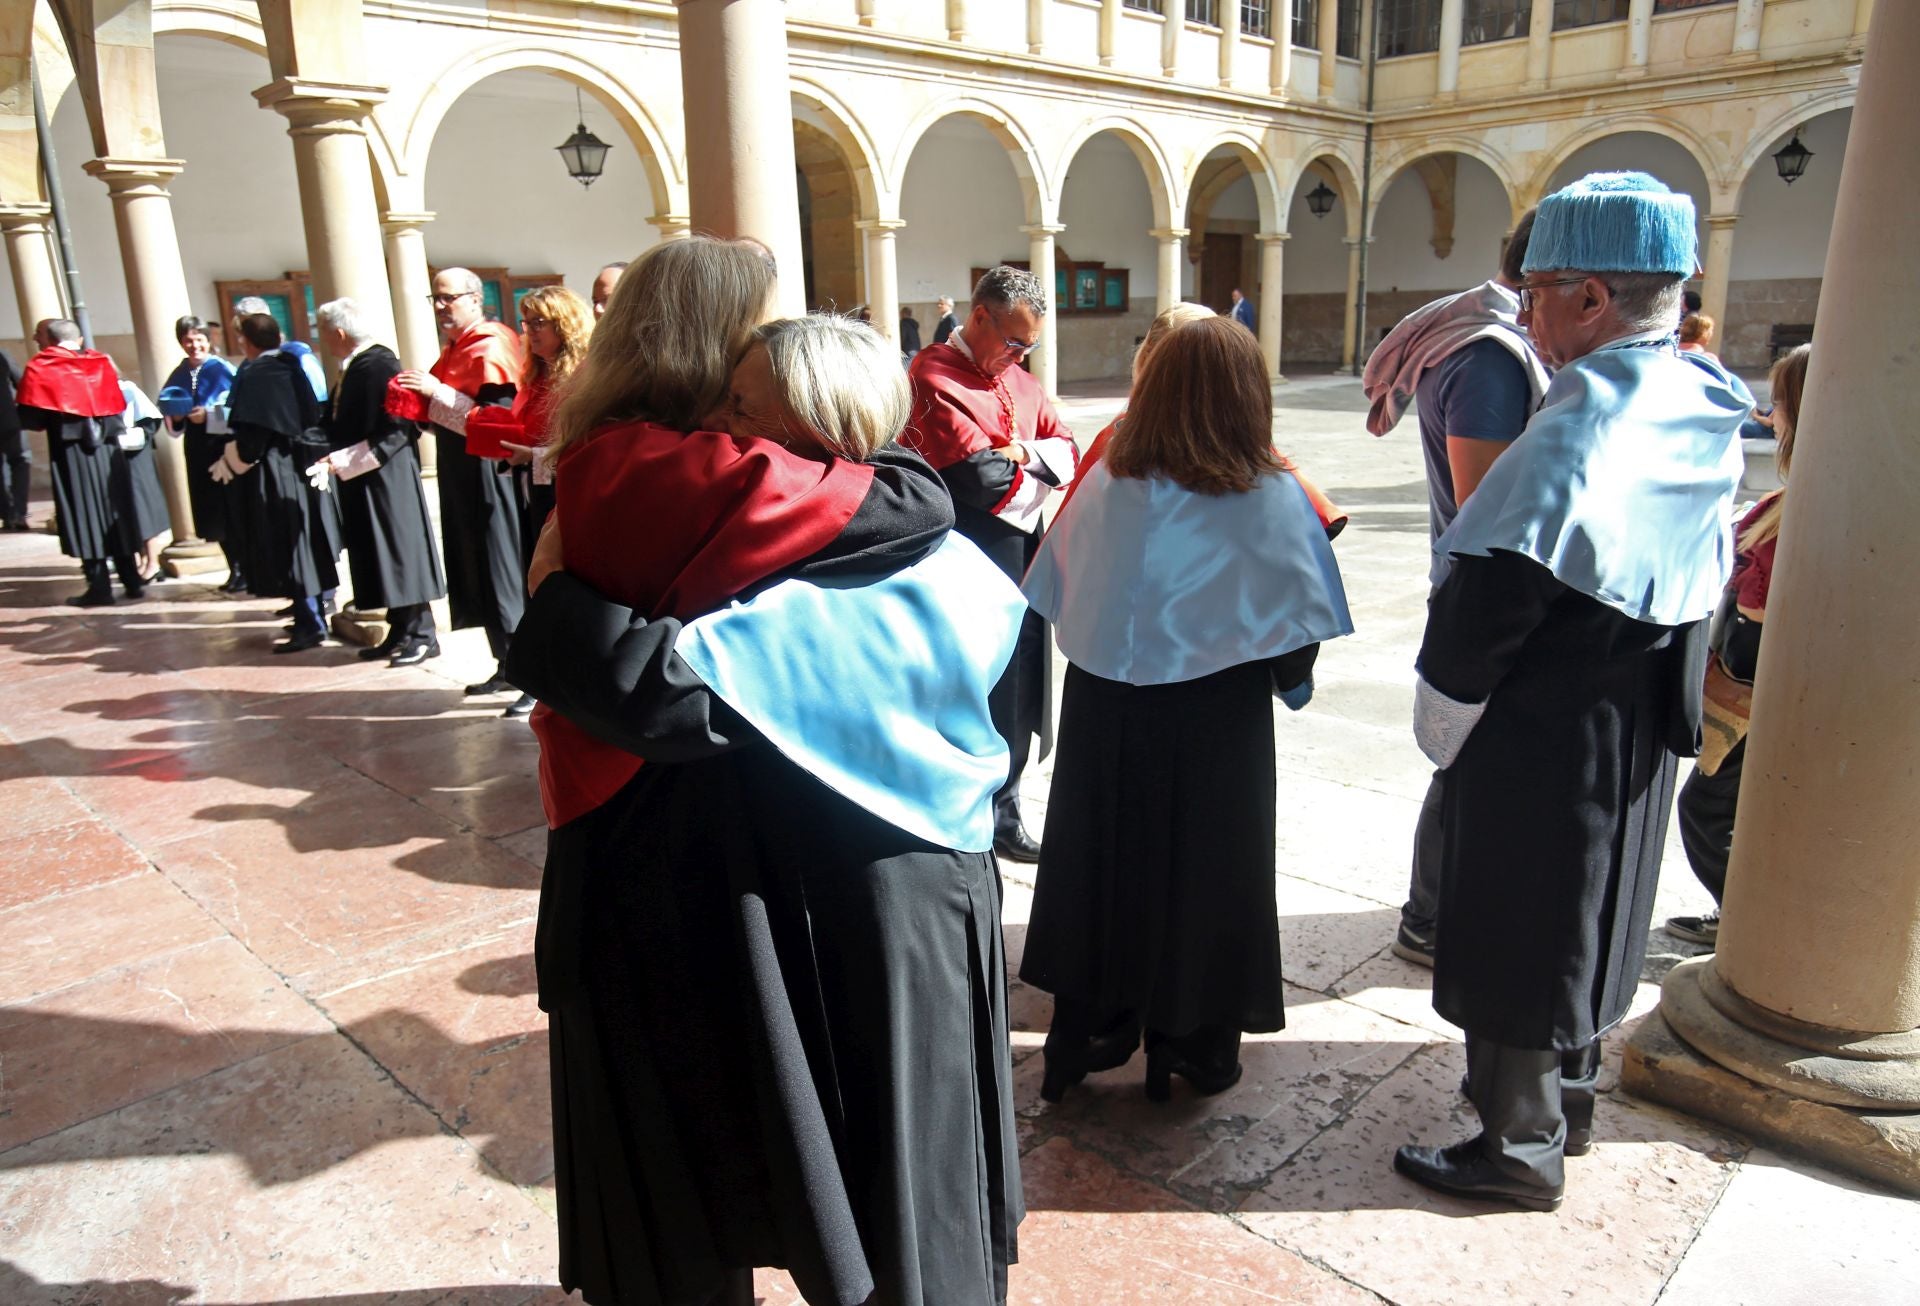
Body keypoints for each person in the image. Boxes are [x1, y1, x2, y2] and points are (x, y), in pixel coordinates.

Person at [503, 238, 1025, 1306]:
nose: (747, 391)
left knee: (692, 1166)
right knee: (874, 1159)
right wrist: (899, 474)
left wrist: (555, 611)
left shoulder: (612, 464)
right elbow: (898, 499)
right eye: (743, 357)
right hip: (853, 846)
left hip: (665, 846)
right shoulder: (678, 469)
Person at [1394, 172, 1750, 1212]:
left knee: (1525, 921)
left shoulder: (1585, 422)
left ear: (1591, 297)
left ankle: (1516, 1144)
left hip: (1546, 732)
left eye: (1540, 286)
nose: (1526, 307)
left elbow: (1496, 589)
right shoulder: (1698, 393)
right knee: (1599, 913)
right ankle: (1571, 1100)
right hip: (1637, 717)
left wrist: (1443, 714)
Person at [1019, 315, 1353, 1105]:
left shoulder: (1105, 480)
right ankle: (1192, 1047)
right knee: (1207, 876)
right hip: (1216, 720)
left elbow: (1052, 591)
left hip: (1107, 712)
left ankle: (1087, 1035)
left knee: (1102, 868)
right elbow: (1296, 632)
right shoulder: (1269, 495)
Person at [1361, 207, 1550, 968]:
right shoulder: (1492, 358)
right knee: (1468, 759)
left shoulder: (1492, 345)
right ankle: (1430, 917)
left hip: (1482, 586)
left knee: (1480, 758)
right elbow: (1486, 508)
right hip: (1484, 592)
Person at [905, 264, 1080, 861]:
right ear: (979, 317)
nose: (1019, 358)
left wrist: (1023, 451)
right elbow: (980, 480)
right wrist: (1035, 463)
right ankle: (971, 812)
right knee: (978, 686)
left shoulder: (1020, 379)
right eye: (1012, 342)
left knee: (1022, 689)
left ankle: (1007, 807)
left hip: (1025, 560)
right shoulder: (932, 376)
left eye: (1029, 346)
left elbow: (1069, 447)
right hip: (967, 562)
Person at [1665, 342, 1810, 950]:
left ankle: (1757, 934)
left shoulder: (1816, 502)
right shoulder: (1801, 495)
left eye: (1777, 405)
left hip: (1764, 695)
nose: (1768, 418)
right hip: (1750, 687)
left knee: (1708, 810)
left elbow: (1764, 597)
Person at [392, 268, 526, 700]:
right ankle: (504, 662)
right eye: (435, 298)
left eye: (447, 298)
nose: (439, 307)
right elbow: (451, 418)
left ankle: (529, 672)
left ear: (474, 298)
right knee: (477, 567)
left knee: (502, 568)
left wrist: (436, 392)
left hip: (490, 471)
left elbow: (497, 419)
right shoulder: (454, 349)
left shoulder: (492, 343)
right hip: (459, 470)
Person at [461, 284, 593, 714]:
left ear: (564, 325)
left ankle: (557, 680)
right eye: (526, 322)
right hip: (533, 489)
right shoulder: (538, 376)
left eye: (540, 323)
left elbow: (584, 447)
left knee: (558, 583)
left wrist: (533, 456)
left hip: (566, 494)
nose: (530, 332)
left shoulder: (581, 377)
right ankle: (540, 676)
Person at [307, 298, 447, 667]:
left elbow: (397, 426)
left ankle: (422, 633)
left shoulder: (378, 363)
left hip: (387, 475)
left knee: (399, 550)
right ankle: (400, 629)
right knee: (377, 552)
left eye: (323, 332)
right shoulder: (355, 365)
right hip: (366, 474)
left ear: (338, 332)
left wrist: (349, 459)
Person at [216, 313, 338, 653]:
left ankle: (310, 623)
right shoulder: (292, 366)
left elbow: (253, 435)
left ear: (247, 342)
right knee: (303, 542)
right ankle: (311, 614)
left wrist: (234, 458)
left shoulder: (258, 373)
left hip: (275, 470)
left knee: (288, 545)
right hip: (301, 465)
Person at [14, 319, 142, 605]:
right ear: (80, 340)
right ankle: (132, 580)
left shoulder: (41, 366)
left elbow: (31, 418)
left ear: (48, 339)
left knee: (84, 514)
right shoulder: (101, 363)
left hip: (72, 452)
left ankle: (99, 587)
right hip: (109, 450)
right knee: (115, 511)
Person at [160, 316, 242, 589]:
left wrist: (207, 416)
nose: (194, 345)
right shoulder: (179, 373)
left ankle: (244, 569)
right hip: (197, 448)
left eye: (199, 339)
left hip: (221, 446)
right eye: (188, 340)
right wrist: (180, 414)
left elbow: (237, 408)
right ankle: (233, 568)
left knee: (231, 509)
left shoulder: (222, 370)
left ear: (208, 341)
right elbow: (171, 411)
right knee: (211, 511)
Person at [109, 379, 172, 581]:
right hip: (115, 459)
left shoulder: (127, 389)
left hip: (136, 457)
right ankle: (141, 559)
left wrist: (134, 436)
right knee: (126, 510)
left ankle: (152, 562)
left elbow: (151, 422)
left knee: (143, 507)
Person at [0, 349, 31, 531]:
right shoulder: (3, 354)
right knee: (20, 460)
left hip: (8, 419)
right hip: (9, 419)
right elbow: (22, 382)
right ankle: (18, 512)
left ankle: (7, 513)